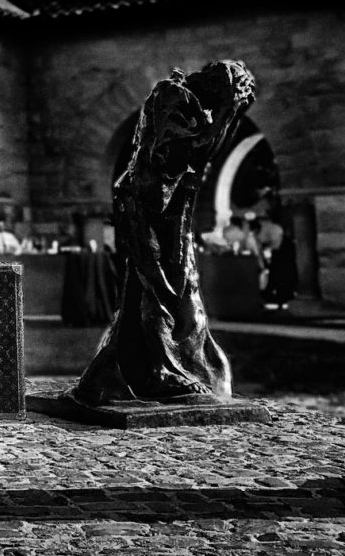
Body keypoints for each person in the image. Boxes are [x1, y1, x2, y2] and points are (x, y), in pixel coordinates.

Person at [69, 60, 256, 406]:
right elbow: (177, 151)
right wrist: (228, 112)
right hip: (148, 199)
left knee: (180, 285)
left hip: (170, 206)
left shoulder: (196, 107)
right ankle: (157, 370)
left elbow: (202, 155)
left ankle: (171, 363)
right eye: (229, 99)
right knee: (158, 287)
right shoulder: (172, 95)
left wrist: (230, 114)